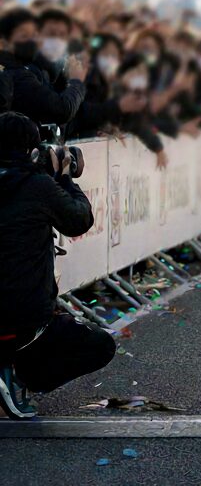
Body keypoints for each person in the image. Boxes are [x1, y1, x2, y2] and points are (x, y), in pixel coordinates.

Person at [0, 112, 116, 419]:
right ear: (31, 152)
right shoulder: (36, 186)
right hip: (24, 317)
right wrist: (64, 176)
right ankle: (22, 378)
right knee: (101, 345)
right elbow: (80, 219)